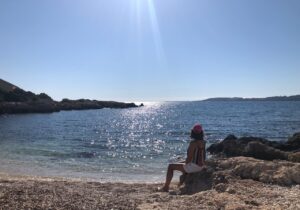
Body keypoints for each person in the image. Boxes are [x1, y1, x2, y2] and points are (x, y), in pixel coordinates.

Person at [160, 124, 206, 192]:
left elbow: (189, 159)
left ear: (192, 132)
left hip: (194, 167)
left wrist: (184, 162)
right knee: (181, 164)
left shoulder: (193, 143)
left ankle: (166, 187)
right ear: (201, 133)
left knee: (170, 166)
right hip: (201, 166)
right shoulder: (203, 142)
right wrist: (182, 162)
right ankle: (180, 184)